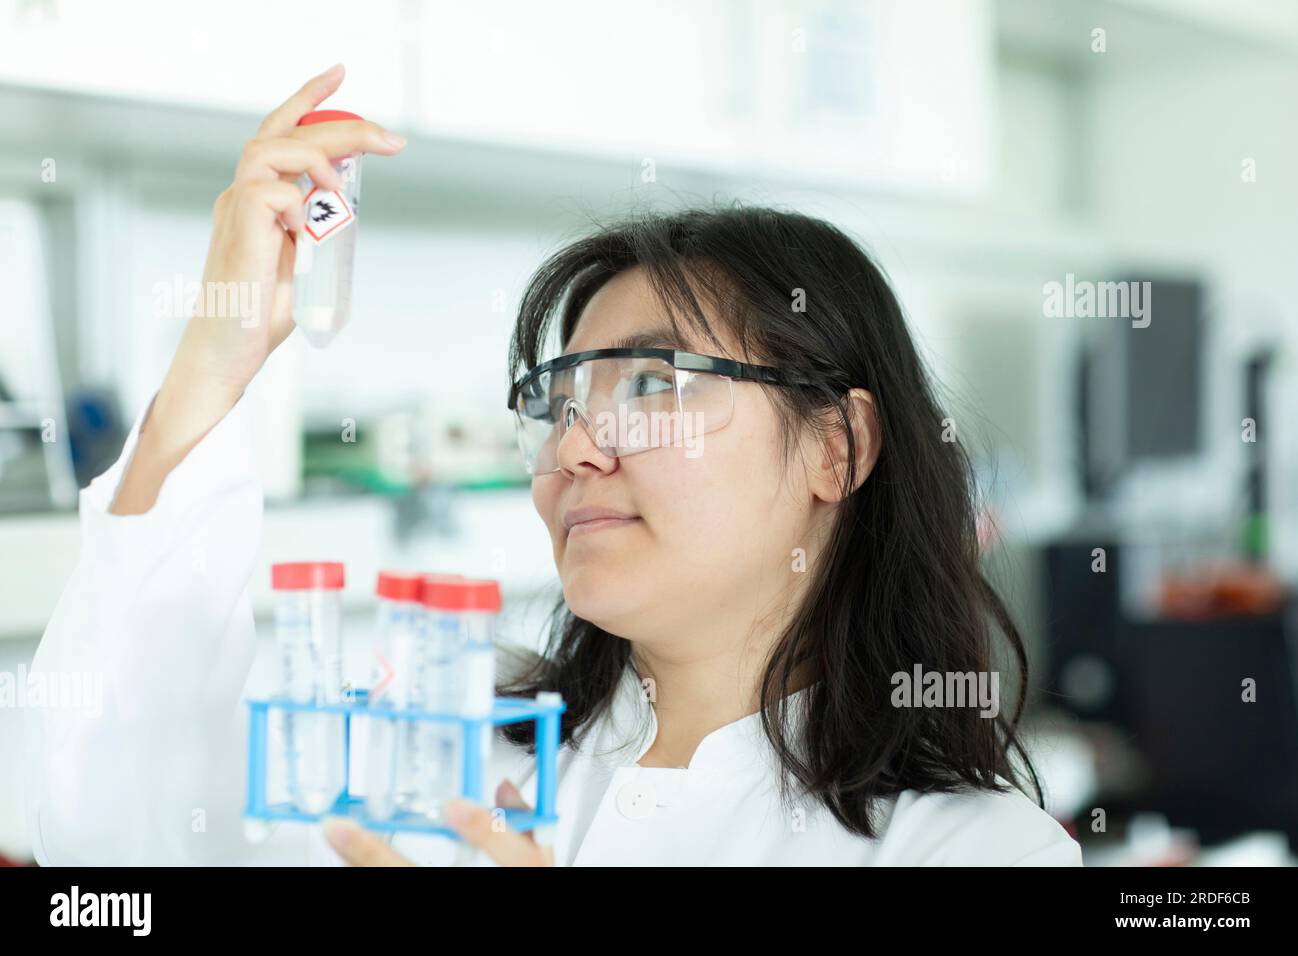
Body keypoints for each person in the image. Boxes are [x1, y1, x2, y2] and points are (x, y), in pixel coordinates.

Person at [24, 65, 1082, 866]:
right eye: (558, 399)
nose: (574, 444)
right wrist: (217, 361)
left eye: (653, 386)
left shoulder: (975, 850)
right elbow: (126, 828)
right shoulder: (450, 756)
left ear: (836, 445)